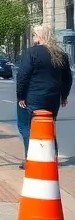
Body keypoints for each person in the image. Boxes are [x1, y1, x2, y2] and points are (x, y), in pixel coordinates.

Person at [14, 24, 72, 166]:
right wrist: (63, 96)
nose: (33, 37)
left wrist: (20, 96)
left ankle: (31, 158)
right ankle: (52, 158)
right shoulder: (60, 54)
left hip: (32, 98)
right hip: (52, 98)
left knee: (26, 127)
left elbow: (23, 75)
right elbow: (68, 79)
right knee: (49, 127)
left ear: (40, 36)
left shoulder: (32, 53)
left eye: (34, 34)